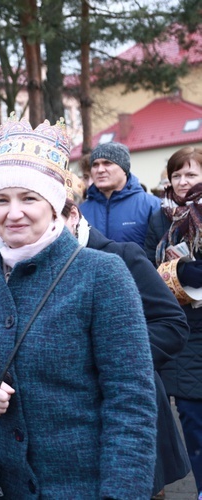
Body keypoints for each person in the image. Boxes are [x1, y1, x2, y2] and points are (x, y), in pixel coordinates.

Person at [0, 117, 157, 498]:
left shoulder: (101, 273)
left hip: (84, 486)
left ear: (56, 204)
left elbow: (131, 403)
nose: (13, 213)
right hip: (5, 485)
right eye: (1, 200)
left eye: (29, 198)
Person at [61, 189, 190, 497]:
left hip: (128, 420)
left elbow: (171, 326)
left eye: (54, 216)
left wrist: (112, 353)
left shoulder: (122, 256)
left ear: (74, 215)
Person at [144, 146, 202, 499]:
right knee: (192, 419)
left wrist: (179, 270)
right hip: (180, 327)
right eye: (177, 174)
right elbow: (149, 266)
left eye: (191, 174)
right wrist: (181, 272)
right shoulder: (160, 216)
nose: (183, 181)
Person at [79, 142, 160, 246]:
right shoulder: (80, 211)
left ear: (124, 169)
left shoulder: (152, 206)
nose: (100, 170)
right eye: (95, 165)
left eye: (107, 163)